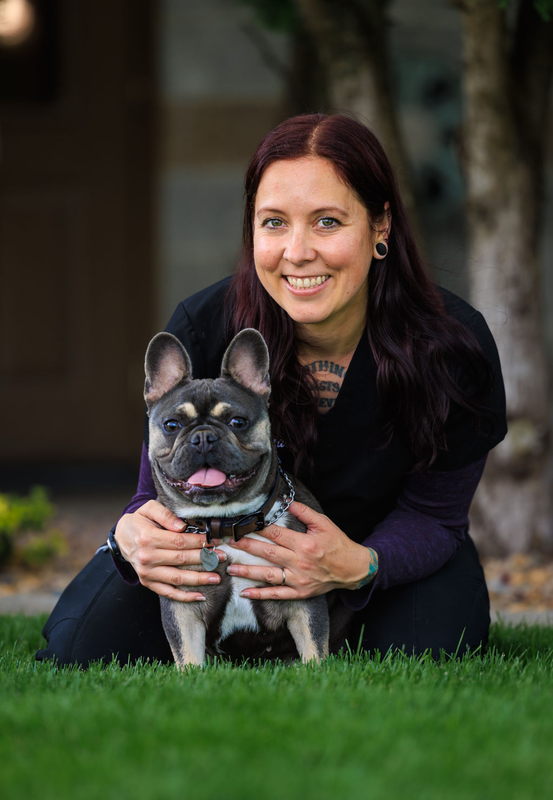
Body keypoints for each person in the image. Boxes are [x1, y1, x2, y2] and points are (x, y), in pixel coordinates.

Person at [36, 113, 507, 667]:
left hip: (377, 547)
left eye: (328, 222)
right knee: (80, 644)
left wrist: (361, 563)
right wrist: (135, 536)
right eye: (274, 223)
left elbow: (436, 516)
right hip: (210, 543)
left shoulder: (449, 343)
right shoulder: (205, 325)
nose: (298, 251)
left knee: (426, 647)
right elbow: (156, 485)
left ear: (381, 226)